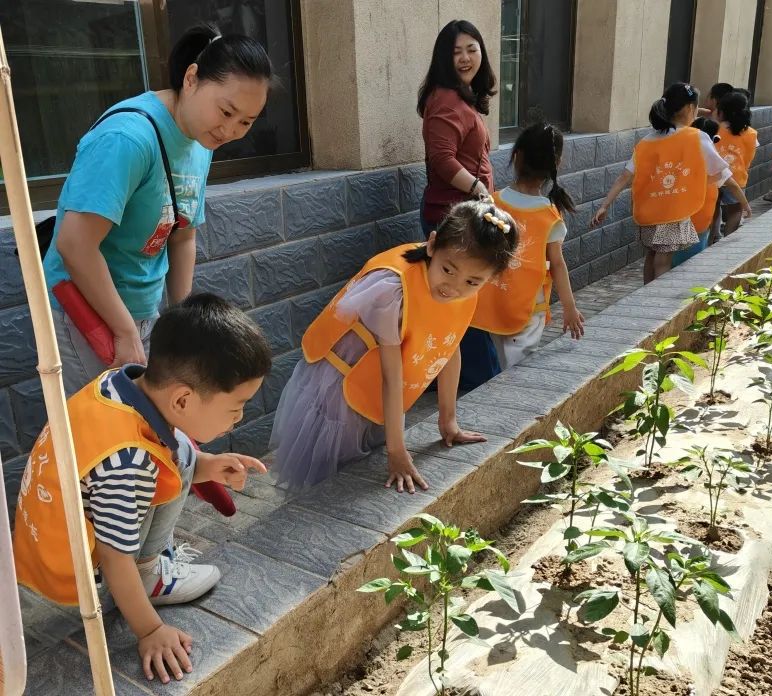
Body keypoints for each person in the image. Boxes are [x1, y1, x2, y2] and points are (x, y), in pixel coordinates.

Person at [13, 294, 273, 685]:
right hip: (71, 564)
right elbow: (116, 559)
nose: (240, 418)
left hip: (58, 523)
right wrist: (151, 631)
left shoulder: (121, 383)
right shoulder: (128, 464)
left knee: (182, 451)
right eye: (236, 407)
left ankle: (147, 567)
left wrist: (206, 466)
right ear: (183, 399)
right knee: (165, 467)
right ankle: (149, 576)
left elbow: (175, 449)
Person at [43, 24, 272, 395]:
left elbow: (183, 236)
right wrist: (124, 330)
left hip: (140, 308)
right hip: (85, 311)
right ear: (192, 78)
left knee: (143, 425)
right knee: (105, 433)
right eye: (226, 111)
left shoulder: (201, 141)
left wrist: (181, 321)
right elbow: (75, 245)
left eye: (245, 122)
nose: (230, 130)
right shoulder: (128, 138)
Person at [270, 200, 519, 495]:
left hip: (378, 376)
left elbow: (448, 349)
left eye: (472, 281)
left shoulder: (466, 293)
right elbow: (391, 377)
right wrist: (397, 452)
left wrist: (448, 421)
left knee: (367, 447)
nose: (453, 287)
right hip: (343, 379)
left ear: (490, 279)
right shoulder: (392, 291)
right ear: (432, 244)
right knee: (329, 468)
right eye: (448, 270)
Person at [591, 83, 751, 283]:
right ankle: (657, 303)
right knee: (663, 260)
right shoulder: (697, 137)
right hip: (673, 211)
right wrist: (744, 202)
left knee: (651, 255)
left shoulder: (647, 140)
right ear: (691, 108)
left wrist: (605, 205)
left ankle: (645, 294)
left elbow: (625, 175)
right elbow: (725, 176)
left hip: (649, 211)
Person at [417, 19, 501, 391]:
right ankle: (484, 384)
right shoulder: (446, 98)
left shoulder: (462, 97)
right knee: (462, 304)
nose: (466, 57)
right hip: (452, 217)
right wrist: (479, 188)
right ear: (443, 59)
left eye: (472, 48)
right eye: (456, 51)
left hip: (463, 216)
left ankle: (447, 380)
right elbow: (442, 159)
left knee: (454, 302)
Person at [470, 122, 584, 369]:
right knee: (519, 370)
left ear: (516, 155)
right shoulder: (548, 215)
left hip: (492, 301)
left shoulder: (492, 202)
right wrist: (569, 307)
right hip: (528, 308)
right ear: (557, 164)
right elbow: (557, 265)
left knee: (500, 363)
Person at [673, 117, 720, 267]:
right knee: (691, 259)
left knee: (675, 259)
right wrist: (745, 205)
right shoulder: (709, 156)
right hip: (698, 220)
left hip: (683, 218)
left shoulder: (681, 152)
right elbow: (728, 180)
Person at [714, 91, 758, 235]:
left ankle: (712, 238)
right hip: (737, 177)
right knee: (735, 210)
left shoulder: (715, 128)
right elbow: (749, 158)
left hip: (714, 177)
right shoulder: (751, 133)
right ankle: (727, 238)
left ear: (722, 111)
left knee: (714, 209)